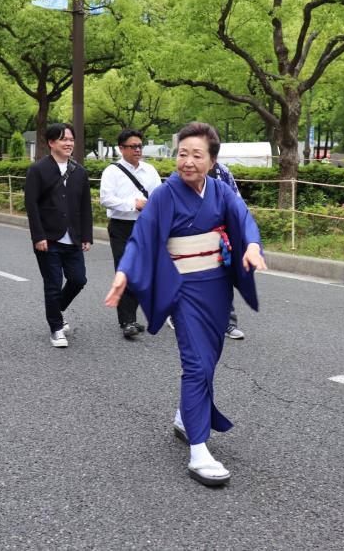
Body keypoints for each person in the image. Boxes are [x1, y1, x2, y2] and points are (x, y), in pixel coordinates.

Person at [104, 121, 267, 487]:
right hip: (185, 290)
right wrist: (124, 273)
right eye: (182, 153)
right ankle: (198, 448)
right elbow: (142, 237)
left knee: (209, 359)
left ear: (212, 161)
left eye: (197, 155)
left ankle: (184, 415)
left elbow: (244, 220)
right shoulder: (164, 194)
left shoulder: (221, 192)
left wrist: (253, 246)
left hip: (217, 287)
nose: (187, 161)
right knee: (196, 364)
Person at [24, 122, 93, 348]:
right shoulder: (38, 169)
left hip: (72, 237)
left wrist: (86, 235)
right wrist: (38, 236)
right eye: (64, 139)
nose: (69, 143)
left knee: (78, 279)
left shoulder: (79, 172)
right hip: (48, 239)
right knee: (53, 284)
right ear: (52, 143)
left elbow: (85, 206)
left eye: (71, 139)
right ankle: (55, 328)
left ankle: (56, 310)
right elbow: (31, 205)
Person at [99, 128, 162, 339]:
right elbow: (106, 199)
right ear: (121, 148)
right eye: (132, 146)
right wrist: (132, 204)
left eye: (139, 146)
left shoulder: (150, 170)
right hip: (121, 226)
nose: (137, 150)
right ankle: (127, 321)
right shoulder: (112, 171)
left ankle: (132, 317)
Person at [208, 158, 245, 340]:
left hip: (220, 234)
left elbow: (236, 199)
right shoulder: (184, 171)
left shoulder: (222, 171)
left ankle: (228, 323)